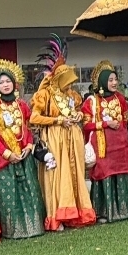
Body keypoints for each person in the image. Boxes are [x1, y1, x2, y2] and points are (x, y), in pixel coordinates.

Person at [29, 36, 96, 231]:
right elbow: (34, 118)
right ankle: (57, 215)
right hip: (55, 138)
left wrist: (78, 116)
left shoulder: (72, 95)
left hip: (72, 138)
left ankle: (76, 212)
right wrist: (58, 120)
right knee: (58, 175)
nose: (70, 86)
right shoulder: (45, 95)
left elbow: (79, 111)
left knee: (75, 174)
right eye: (66, 83)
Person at [0, 59, 47, 239]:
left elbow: (28, 128)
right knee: (8, 194)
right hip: (3, 159)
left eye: (8, 81)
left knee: (29, 190)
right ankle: (12, 230)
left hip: (24, 155)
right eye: (1, 82)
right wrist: (7, 154)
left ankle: (34, 227)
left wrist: (29, 146)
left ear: (14, 83)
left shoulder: (22, 105)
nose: (5, 85)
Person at [82, 62, 128, 223]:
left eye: (116, 79)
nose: (114, 83)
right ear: (102, 81)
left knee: (124, 170)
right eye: (110, 80)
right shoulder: (92, 102)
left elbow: (125, 120)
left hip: (121, 146)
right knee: (105, 172)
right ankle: (104, 212)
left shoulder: (120, 98)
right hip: (103, 147)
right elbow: (86, 125)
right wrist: (106, 124)